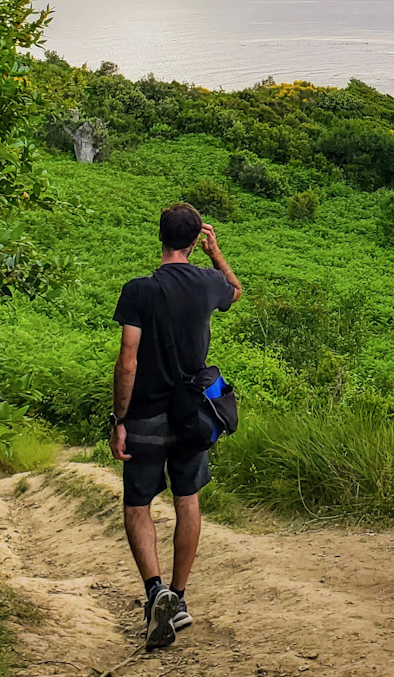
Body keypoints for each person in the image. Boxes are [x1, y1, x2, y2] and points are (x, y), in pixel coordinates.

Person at [109, 203, 242, 650]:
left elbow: (128, 359)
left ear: (160, 237)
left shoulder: (139, 291)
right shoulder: (208, 283)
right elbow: (236, 290)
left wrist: (119, 419)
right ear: (192, 241)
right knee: (188, 500)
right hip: (193, 414)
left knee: (138, 505)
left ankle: (154, 593)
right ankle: (180, 599)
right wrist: (216, 252)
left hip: (146, 413)